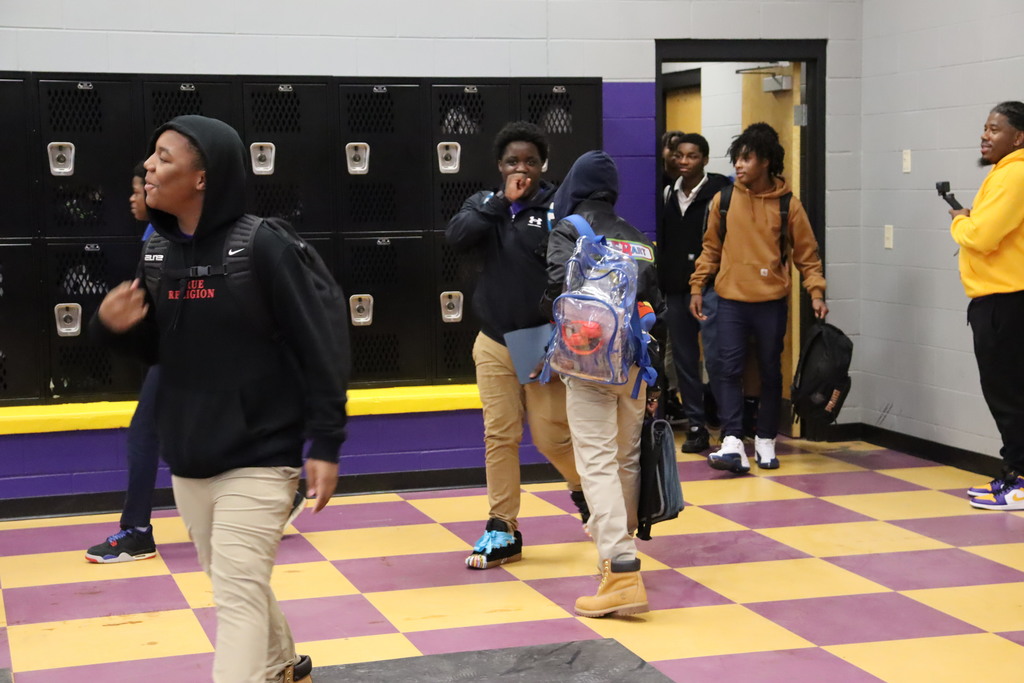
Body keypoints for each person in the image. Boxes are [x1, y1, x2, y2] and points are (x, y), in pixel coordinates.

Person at [92, 115, 348, 682]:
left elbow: (320, 344)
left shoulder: (264, 245)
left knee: (233, 594)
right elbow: (159, 349)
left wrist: (326, 440)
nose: (148, 168)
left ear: (202, 176)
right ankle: (284, 664)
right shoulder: (157, 253)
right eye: (150, 157)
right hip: (190, 455)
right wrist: (114, 327)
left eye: (163, 157)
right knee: (235, 579)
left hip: (262, 454)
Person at [85, 164, 305, 564]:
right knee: (169, 431)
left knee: (145, 434)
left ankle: (136, 531)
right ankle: (284, 494)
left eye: (139, 188)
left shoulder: (169, 234)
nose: (135, 197)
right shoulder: (157, 235)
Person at [446, 121, 586, 570]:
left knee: (551, 437)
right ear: (500, 167)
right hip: (492, 339)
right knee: (499, 434)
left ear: (543, 164)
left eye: (529, 161)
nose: (520, 168)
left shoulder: (557, 206)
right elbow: (457, 236)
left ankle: (585, 489)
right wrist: (499, 202)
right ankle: (502, 525)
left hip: (540, 339)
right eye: (511, 162)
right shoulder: (484, 205)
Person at [540, 150, 666, 618]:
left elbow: (556, 291)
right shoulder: (639, 238)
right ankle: (621, 554)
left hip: (590, 366)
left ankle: (620, 570)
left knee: (594, 461)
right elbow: (659, 307)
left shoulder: (570, 230)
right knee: (625, 459)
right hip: (635, 366)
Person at [689, 122, 827, 474]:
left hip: (770, 302)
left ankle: (766, 438)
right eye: (737, 159)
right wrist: (697, 286)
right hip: (730, 299)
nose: (738, 165)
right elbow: (710, 249)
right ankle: (733, 438)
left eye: (746, 159)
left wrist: (816, 292)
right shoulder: (724, 199)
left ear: (765, 161)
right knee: (726, 368)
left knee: (768, 371)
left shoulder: (787, 205)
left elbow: (807, 255)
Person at [950, 101, 1024, 511]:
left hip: (1006, 301)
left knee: (1008, 395)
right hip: (1003, 299)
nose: (985, 135)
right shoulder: (1006, 172)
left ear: (1019, 137)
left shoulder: (1015, 173)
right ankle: (1014, 475)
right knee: (1010, 393)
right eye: (985, 127)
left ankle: (1019, 480)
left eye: (995, 129)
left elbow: (981, 236)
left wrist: (960, 219)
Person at [656, 133, 731, 453]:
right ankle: (697, 425)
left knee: (717, 358)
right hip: (675, 289)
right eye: (679, 155)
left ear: (705, 159)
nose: (684, 161)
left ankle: (729, 426)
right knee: (685, 360)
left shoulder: (720, 194)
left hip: (712, 288)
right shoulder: (665, 193)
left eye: (692, 156)